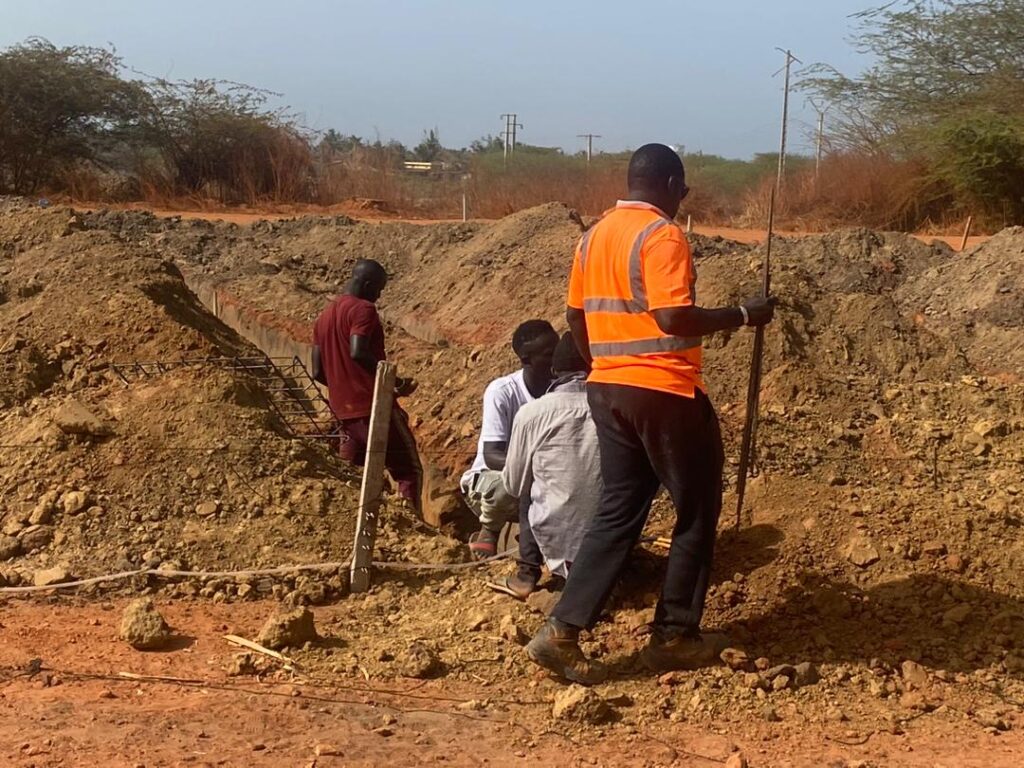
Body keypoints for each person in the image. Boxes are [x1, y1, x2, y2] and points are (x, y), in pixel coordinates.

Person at [525, 143, 777, 685]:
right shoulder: (663, 235)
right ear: (669, 184)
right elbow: (673, 317)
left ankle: (562, 629)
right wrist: (742, 314)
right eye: (682, 190)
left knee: (618, 511)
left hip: (607, 392)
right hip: (663, 391)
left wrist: (601, 364)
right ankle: (675, 636)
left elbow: (575, 314)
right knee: (696, 509)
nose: (682, 199)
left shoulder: (594, 236)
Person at [312, 259, 423, 513]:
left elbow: (317, 371)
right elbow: (358, 351)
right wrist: (394, 382)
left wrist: (343, 387)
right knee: (408, 471)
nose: (379, 295)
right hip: (374, 409)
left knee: (350, 476)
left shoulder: (323, 318)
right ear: (367, 284)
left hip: (343, 415)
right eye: (379, 289)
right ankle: (414, 527)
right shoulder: (363, 309)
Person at [460, 320, 559, 583]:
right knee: (509, 485)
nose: (556, 359)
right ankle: (490, 529)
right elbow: (492, 456)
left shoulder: (561, 389)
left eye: (558, 350)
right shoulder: (502, 392)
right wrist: (539, 468)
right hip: (493, 483)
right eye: (548, 354)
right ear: (526, 359)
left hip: (543, 480)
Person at [502, 332, 599, 586]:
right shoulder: (615, 406)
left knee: (528, 485)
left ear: (554, 371)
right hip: (613, 538)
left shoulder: (532, 413)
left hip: (556, 544)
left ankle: (527, 573)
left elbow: (513, 486)